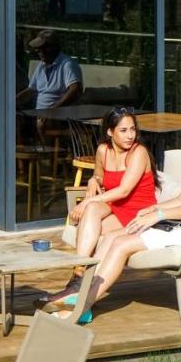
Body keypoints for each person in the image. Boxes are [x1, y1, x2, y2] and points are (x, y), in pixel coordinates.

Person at [49, 102, 181, 323]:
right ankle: (79, 291)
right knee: (111, 237)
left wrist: (158, 216)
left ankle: (83, 305)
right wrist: (155, 208)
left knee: (121, 244)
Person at [59, 108, 158, 265]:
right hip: (114, 206)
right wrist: (94, 180)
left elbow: (124, 190)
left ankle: (81, 271)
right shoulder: (103, 151)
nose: (130, 135)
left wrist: (86, 201)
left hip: (138, 211)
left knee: (88, 225)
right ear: (110, 132)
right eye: (123, 130)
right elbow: (98, 175)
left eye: (132, 129)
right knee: (92, 211)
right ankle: (79, 268)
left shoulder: (138, 152)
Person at [16, 29, 83, 110]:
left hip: (59, 113)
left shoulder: (67, 64)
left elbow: (75, 90)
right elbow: (31, 91)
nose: (39, 51)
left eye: (43, 48)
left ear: (54, 47)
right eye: (38, 48)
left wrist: (54, 109)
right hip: (38, 113)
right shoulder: (41, 66)